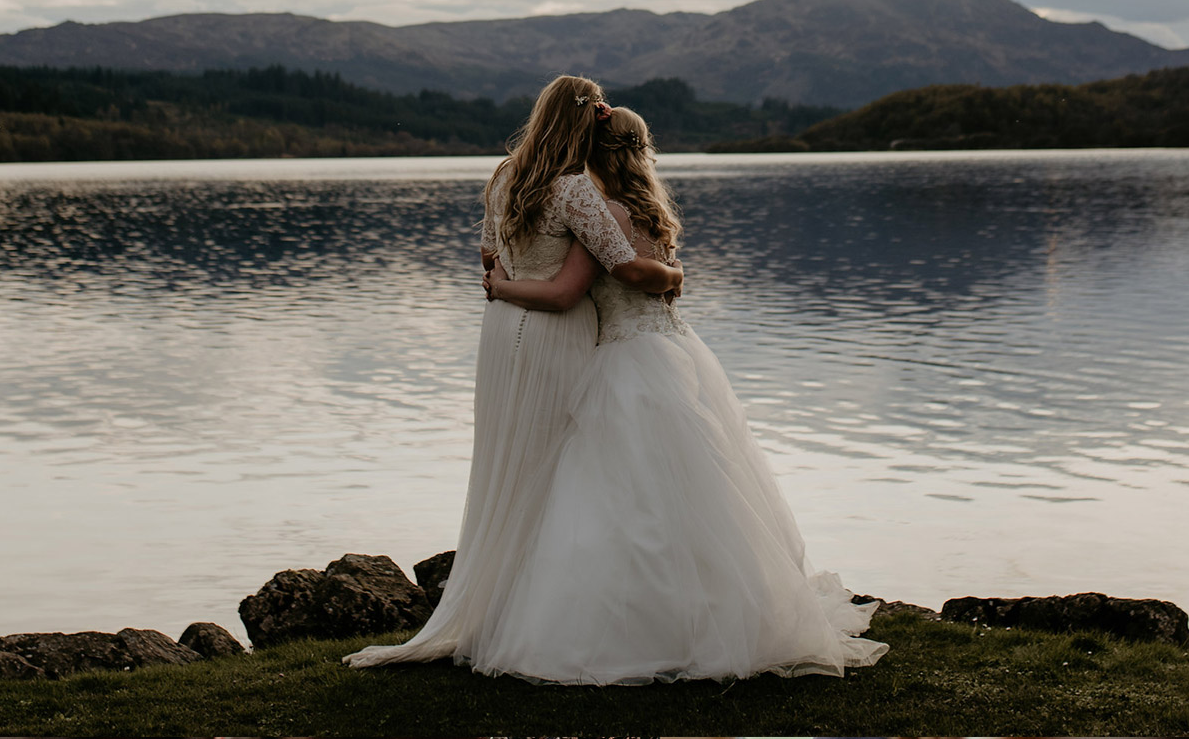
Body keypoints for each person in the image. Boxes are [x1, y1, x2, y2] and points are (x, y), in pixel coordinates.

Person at [474, 106, 888, 684]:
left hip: (625, 356)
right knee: (696, 480)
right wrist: (678, 275)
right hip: (673, 350)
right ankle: (716, 608)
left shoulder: (601, 209)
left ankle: (638, 622)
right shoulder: (646, 210)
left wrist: (503, 285)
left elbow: (606, 281)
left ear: (593, 150)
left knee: (625, 486)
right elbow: (651, 274)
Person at [343, 76, 682, 671]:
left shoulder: (502, 178)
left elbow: (488, 258)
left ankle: (500, 608)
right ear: (586, 124)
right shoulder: (575, 188)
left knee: (505, 467)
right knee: (558, 470)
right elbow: (620, 267)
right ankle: (545, 616)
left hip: (501, 331)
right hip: (558, 330)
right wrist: (673, 277)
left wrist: (503, 285)